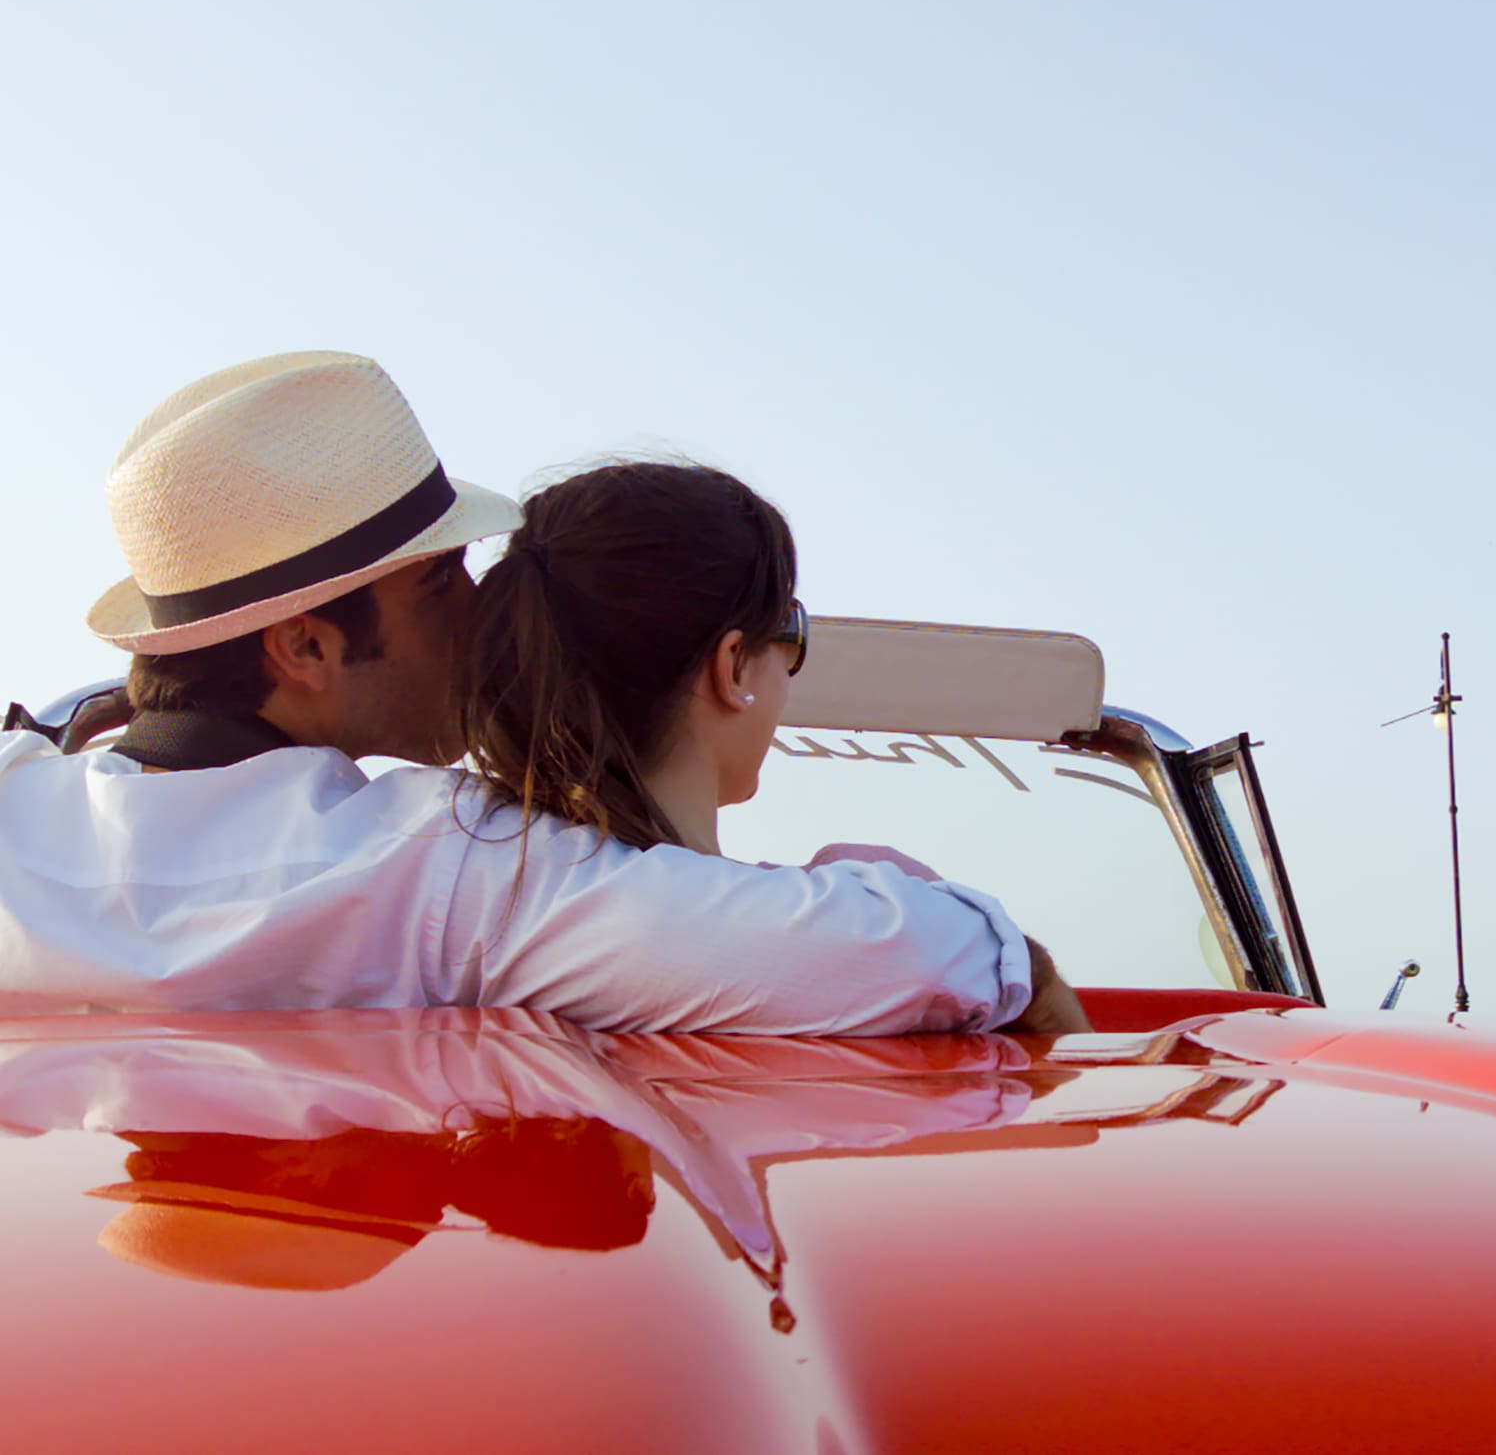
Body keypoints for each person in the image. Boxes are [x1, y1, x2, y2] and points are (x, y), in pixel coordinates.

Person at [0, 351, 1083, 1034]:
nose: (480, 610)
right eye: (440, 579)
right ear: (307, 648)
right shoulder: (433, 868)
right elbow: (883, 952)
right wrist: (1006, 953)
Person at [456, 457, 1088, 1034]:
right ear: (732, 667)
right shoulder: (562, 903)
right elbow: (937, 955)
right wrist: (1003, 955)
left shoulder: (433, 845)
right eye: (791, 630)